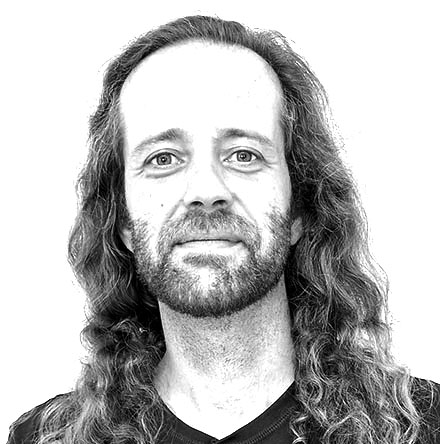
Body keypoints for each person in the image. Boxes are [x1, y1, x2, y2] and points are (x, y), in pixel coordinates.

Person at [8, 15, 440, 444]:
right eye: (163, 158)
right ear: (121, 220)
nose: (206, 190)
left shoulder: (425, 428)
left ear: (299, 208)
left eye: (243, 155)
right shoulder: (45, 438)